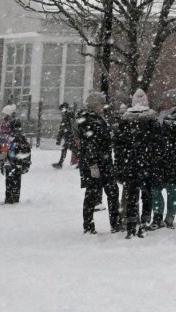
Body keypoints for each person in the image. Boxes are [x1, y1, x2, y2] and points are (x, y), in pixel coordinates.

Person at [115, 91, 160, 238]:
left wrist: (120, 166)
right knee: (146, 196)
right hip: (147, 164)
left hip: (131, 165)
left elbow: (119, 146)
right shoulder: (152, 120)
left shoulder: (125, 121)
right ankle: (144, 225)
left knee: (132, 197)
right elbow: (159, 146)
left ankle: (130, 226)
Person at [73, 93, 117, 234]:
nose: (103, 107)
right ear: (94, 105)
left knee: (102, 193)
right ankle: (93, 225)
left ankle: (95, 224)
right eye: (101, 104)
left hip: (99, 161)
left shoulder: (93, 118)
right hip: (96, 162)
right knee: (97, 193)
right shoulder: (89, 120)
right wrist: (93, 165)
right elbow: (90, 144)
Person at [153, 99, 176, 229]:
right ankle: (157, 216)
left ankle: (170, 216)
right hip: (160, 160)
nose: (165, 103)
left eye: (168, 101)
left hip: (175, 159)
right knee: (156, 189)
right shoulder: (159, 116)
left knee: (172, 189)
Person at [0, 109, 33, 204]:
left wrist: (2, 161)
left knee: (9, 181)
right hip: (19, 162)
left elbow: (4, 150)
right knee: (17, 180)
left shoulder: (9, 137)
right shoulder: (22, 137)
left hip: (10, 161)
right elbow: (27, 150)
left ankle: (8, 198)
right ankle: (16, 198)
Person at [53, 101, 75, 168]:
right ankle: (60, 163)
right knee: (72, 149)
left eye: (62, 109)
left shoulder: (68, 115)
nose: (61, 111)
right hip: (69, 135)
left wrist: (59, 138)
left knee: (66, 148)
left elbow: (63, 128)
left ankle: (60, 164)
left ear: (65, 108)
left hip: (70, 135)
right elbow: (62, 127)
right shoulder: (67, 115)